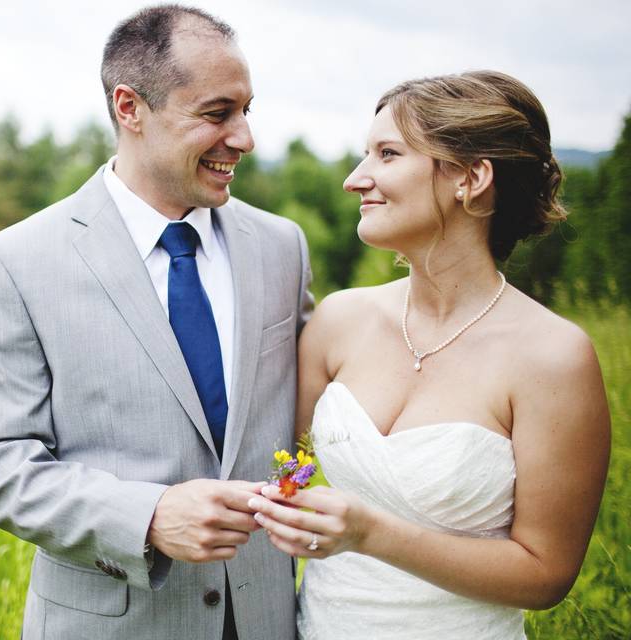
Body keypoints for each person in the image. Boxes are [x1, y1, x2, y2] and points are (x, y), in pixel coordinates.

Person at [0, 5, 312, 639]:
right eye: (216, 113)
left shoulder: (283, 247)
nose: (245, 139)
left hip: (266, 620)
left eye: (246, 111)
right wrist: (146, 516)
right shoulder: (15, 263)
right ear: (130, 107)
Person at [247, 71, 611, 639]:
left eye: (386, 154)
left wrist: (371, 534)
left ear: (471, 177)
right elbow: (280, 473)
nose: (354, 179)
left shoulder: (553, 357)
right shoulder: (337, 322)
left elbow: (546, 577)